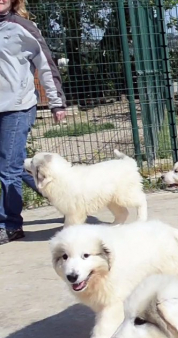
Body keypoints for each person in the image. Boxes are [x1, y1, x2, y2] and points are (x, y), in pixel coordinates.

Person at [0, 0, 67, 245]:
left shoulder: (22, 27)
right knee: (13, 165)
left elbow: (45, 65)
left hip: (17, 107)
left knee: (8, 168)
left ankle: (9, 225)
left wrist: (56, 102)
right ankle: (63, 196)